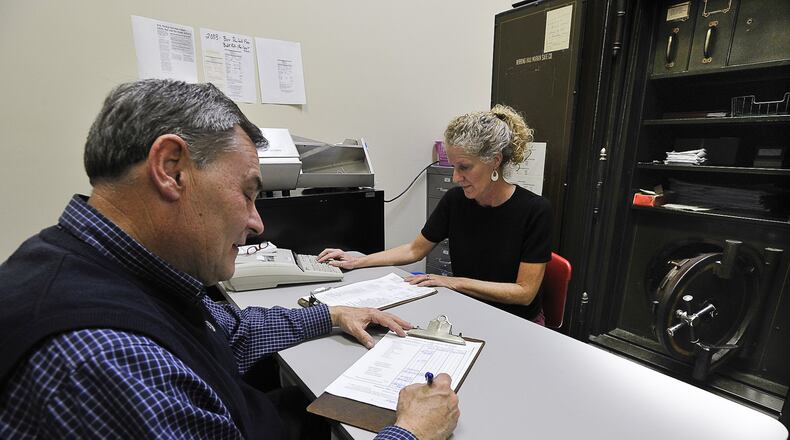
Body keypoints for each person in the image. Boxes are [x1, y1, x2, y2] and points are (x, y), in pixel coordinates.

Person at [0, 79, 459, 440]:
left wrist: (331, 314)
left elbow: (226, 332)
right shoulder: (105, 358)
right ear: (172, 169)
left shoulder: (100, 265)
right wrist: (412, 433)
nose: (258, 223)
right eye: (247, 193)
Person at [319, 105, 552, 324]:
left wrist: (452, 282)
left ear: (495, 161)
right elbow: (414, 249)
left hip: (516, 321)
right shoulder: (455, 201)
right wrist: (357, 260)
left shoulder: (535, 211)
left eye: (464, 167)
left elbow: (524, 293)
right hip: (468, 309)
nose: (455, 178)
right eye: (452, 167)